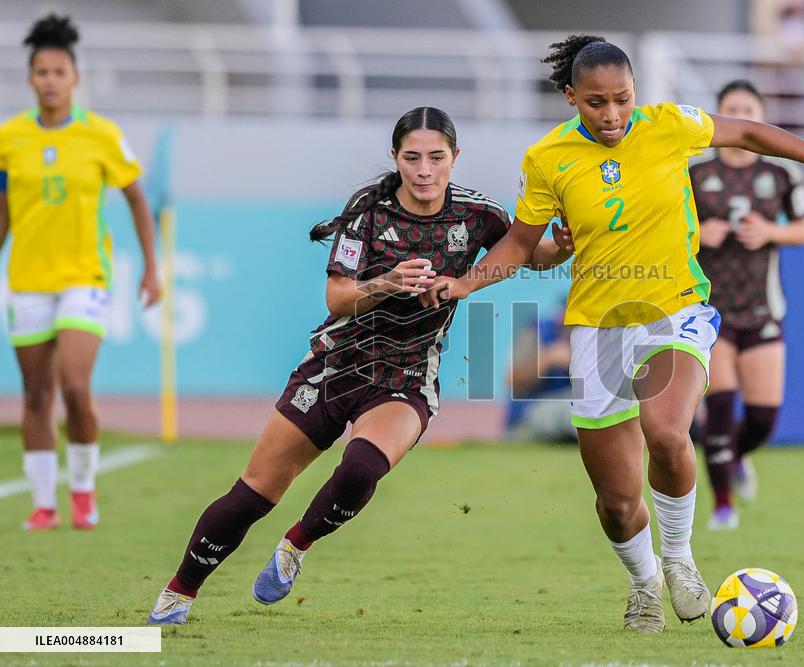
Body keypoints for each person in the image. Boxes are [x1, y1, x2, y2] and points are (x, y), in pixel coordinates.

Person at [419, 35, 804, 633]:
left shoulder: (669, 125)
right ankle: (644, 583)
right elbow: (517, 243)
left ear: (636, 92)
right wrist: (463, 284)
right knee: (615, 503)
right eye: (596, 103)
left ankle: (681, 560)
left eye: (622, 99)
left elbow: (747, 132)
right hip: (597, 329)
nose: (613, 115)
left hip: (676, 311)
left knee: (666, 430)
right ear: (570, 98)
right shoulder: (547, 159)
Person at [146, 106, 573, 625]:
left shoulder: (477, 214)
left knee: (361, 468)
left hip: (408, 376)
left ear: (454, 159)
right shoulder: (369, 213)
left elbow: (524, 252)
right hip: (336, 366)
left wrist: (557, 249)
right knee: (253, 495)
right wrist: (384, 283)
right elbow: (336, 297)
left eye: (436, 158)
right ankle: (179, 592)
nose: (424, 170)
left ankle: (295, 546)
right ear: (395, 158)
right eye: (411, 157)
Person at [0, 14, 160, 531]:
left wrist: (151, 271)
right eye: (41, 72)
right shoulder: (10, 137)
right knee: (35, 394)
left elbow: (136, 198)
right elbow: (3, 210)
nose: (49, 80)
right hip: (27, 280)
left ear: (75, 77)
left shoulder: (101, 135)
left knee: (72, 383)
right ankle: (45, 504)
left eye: (59, 71)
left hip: (84, 277)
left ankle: (83, 491)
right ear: (30, 78)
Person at [690, 80, 804, 530]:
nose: (739, 114)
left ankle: (736, 457)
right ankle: (723, 507)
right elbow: (668, 230)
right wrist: (701, 233)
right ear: (718, 117)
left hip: (762, 309)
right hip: (710, 310)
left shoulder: (780, 175)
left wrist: (770, 232)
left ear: (759, 116)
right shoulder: (694, 174)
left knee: (761, 420)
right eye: (730, 108)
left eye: (747, 108)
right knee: (720, 409)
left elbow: (802, 230)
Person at [506, 302, 576, 443]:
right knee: (576, 410)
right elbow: (512, 380)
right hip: (530, 414)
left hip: (567, 415)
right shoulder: (539, 330)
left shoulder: (599, 336)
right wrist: (548, 359)